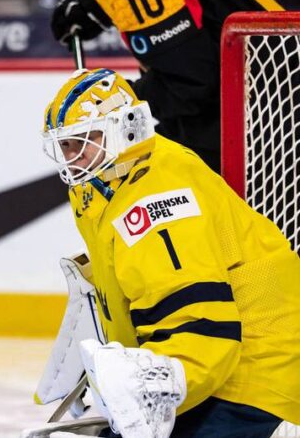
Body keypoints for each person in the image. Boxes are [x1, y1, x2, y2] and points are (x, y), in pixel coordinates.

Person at [39, 68, 300, 437]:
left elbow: (205, 327)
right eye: (66, 145)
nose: (73, 157)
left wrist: (155, 388)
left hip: (254, 377)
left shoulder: (157, 195)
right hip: (227, 370)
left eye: (85, 140)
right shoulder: (106, 180)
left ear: (124, 128)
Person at [49, 0, 284, 173]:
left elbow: (188, 85)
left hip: (263, 136)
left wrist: (113, 99)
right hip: (266, 116)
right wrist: (96, 5)